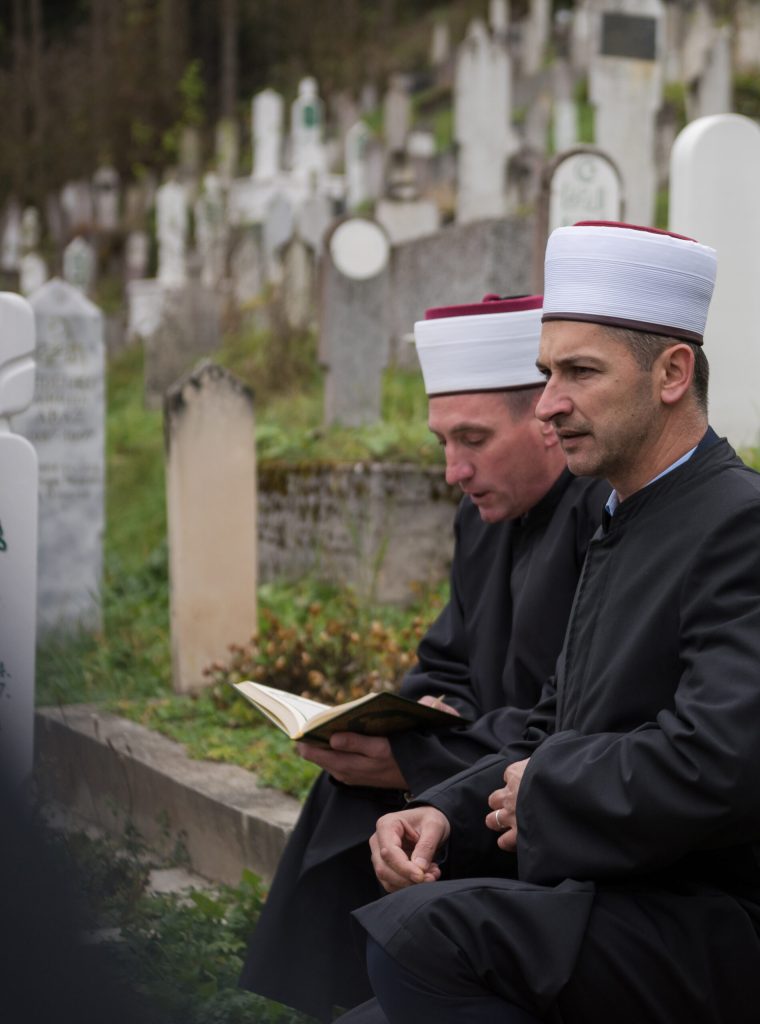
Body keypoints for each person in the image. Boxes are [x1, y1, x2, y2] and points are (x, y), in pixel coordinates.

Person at [353, 221, 760, 1024]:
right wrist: (446, 810)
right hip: (617, 894)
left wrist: (548, 792)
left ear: (672, 372)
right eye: (546, 374)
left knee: (421, 939)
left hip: (709, 919)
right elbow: (554, 723)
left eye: (579, 372)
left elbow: (725, 758)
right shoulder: (622, 514)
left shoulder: (736, 522)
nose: (549, 405)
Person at [239, 295, 608, 1021]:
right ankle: (341, 997)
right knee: (350, 786)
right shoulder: (480, 516)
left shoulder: (600, 518)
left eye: (472, 439)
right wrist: (399, 722)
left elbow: (575, 714)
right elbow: (446, 660)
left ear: (545, 420)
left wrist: (423, 760)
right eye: (442, 441)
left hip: (533, 788)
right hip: (479, 752)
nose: (453, 471)